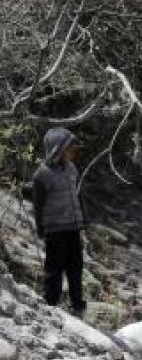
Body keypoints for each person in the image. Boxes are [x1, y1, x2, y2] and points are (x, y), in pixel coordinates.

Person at [33, 127, 87, 318]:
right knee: (54, 270)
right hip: (55, 231)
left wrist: (83, 219)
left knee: (75, 267)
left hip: (73, 227)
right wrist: (40, 228)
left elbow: (78, 195)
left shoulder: (72, 170)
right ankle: (50, 306)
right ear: (57, 149)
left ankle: (78, 306)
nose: (72, 152)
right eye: (69, 149)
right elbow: (38, 204)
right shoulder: (43, 174)